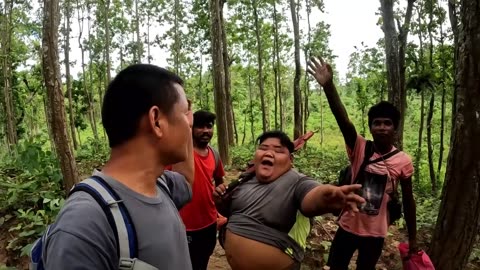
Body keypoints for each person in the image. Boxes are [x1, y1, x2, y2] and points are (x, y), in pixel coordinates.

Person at [43, 64, 195, 270]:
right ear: (156, 121)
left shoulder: (161, 185)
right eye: (185, 113)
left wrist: (185, 116)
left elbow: (187, 180)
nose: (189, 123)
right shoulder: (85, 224)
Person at [307, 56, 418, 270]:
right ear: (371, 127)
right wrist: (329, 87)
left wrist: (412, 238)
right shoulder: (360, 147)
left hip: (375, 233)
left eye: (388, 123)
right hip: (347, 225)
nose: (382, 127)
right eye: (377, 123)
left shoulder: (403, 161)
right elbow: (344, 121)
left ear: (395, 129)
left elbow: (409, 199)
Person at [213, 130, 366, 270]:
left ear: (290, 159)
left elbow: (313, 197)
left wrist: (328, 195)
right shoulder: (245, 179)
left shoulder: (297, 182)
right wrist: (220, 201)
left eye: (278, 150)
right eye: (263, 148)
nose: (269, 153)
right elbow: (230, 212)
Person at [167, 110, 226, 270]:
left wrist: (220, 195)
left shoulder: (214, 154)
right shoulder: (178, 154)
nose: (206, 130)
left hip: (208, 221)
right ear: (191, 129)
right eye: (200, 126)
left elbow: (219, 180)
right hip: (183, 224)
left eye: (209, 126)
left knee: (202, 260)